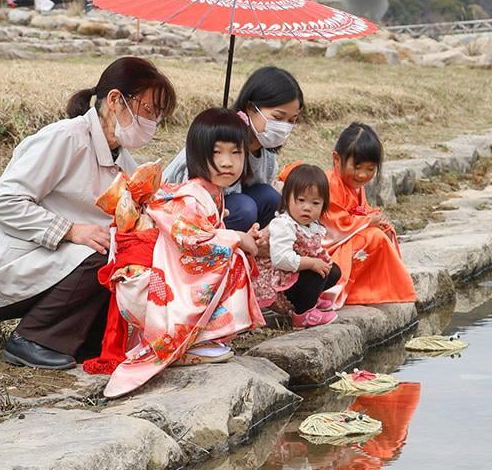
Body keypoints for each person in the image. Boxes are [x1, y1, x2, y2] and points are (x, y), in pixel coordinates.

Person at [0, 57, 176, 370]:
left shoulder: (126, 163)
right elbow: (5, 202)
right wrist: (71, 230)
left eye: (158, 115)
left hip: (55, 266)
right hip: (9, 269)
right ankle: (33, 339)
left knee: (129, 249)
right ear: (116, 100)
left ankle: (83, 341)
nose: (153, 122)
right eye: (149, 110)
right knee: (105, 249)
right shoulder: (65, 138)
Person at [95, 108, 264, 399]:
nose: (227, 162)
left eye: (236, 153)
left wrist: (241, 238)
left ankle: (201, 337)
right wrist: (237, 238)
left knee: (233, 252)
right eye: (217, 153)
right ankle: (193, 342)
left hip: (163, 282)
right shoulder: (188, 195)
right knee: (232, 257)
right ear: (197, 155)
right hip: (148, 287)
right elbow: (194, 243)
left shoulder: (209, 193)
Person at [163, 66, 303, 232]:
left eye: (291, 120)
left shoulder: (267, 156)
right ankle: (226, 248)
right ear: (251, 108)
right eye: (278, 118)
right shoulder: (220, 138)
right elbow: (190, 193)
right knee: (245, 208)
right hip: (190, 207)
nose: (283, 127)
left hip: (231, 205)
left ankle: (256, 245)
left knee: (271, 197)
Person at [322, 122, 417, 307]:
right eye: (357, 167)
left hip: (346, 239)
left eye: (370, 169)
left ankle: (374, 290)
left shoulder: (356, 188)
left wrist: (376, 220)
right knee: (373, 238)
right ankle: (352, 292)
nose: (363, 175)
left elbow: (362, 211)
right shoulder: (329, 184)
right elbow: (333, 226)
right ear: (336, 159)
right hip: (328, 249)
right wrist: (367, 222)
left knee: (382, 232)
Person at [254, 164, 340, 328]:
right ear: (287, 199)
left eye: (315, 203)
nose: (307, 207)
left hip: (293, 275)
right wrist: (312, 262)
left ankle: (311, 299)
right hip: (280, 283)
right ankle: (302, 314)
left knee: (333, 270)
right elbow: (281, 259)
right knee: (315, 273)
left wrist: (322, 260)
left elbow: (313, 249)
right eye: (301, 200)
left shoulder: (311, 225)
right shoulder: (284, 225)